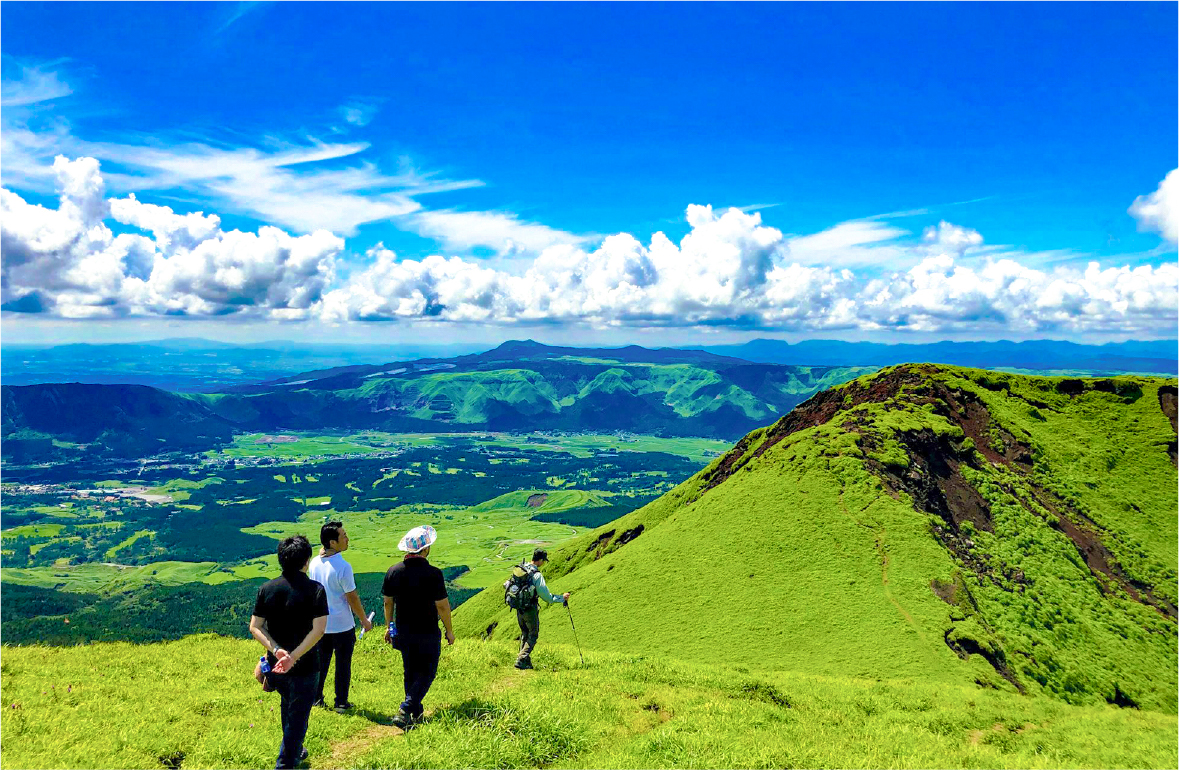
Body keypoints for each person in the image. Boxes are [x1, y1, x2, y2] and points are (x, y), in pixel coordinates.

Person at [249, 535, 329, 770]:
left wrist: (276, 649)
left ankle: (294, 748)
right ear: (306, 561)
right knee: (299, 717)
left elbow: (255, 626)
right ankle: (285, 763)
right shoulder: (315, 590)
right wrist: (294, 655)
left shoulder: (267, 589)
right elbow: (319, 629)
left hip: (276, 665)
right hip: (306, 666)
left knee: (288, 705)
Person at [381, 524, 455, 729]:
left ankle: (415, 712)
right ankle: (405, 709)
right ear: (425, 549)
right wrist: (449, 630)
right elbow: (442, 606)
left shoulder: (393, 571)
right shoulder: (433, 574)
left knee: (410, 670)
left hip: (403, 630)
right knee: (428, 671)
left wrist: (390, 628)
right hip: (427, 630)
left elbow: (388, 603)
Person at [308, 520, 374, 712]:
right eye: (343, 536)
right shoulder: (343, 566)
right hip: (342, 624)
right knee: (343, 664)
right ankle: (341, 702)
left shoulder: (314, 563)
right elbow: (352, 597)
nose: (347, 539)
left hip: (321, 624)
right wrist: (364, 620)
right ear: (333, 542)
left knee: (321, 662)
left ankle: (316, 697)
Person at [512, 548, 571, 670]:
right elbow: (547, 597)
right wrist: (562, 598)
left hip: (519, 607)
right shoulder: (536, 575)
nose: (543, 563)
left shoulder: (522, 568)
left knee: (525, 633)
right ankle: (521, 658)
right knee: (533, 634)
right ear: (539, 560)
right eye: (543, 560)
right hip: (530, 608)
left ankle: (524, 661)